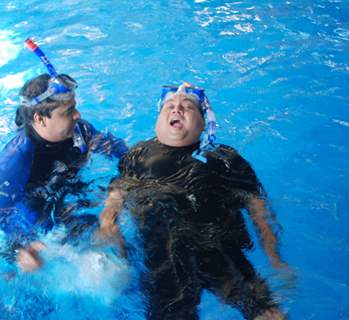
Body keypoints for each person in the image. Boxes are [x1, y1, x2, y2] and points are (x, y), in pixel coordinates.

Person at [97, 82, 288, 319]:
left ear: (203, 122)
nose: (177, 109)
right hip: (165, 254)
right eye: (169, 106)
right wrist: (108, 223)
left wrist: (274, 256)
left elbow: (257, 207)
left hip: (219, 247)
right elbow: (118, 190)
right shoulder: (138, 154)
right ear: (158, 119)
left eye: (187, 107)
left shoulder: (225, 158)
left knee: (269, 314)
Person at [0, 39, 127, 272]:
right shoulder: (10, 163)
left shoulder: (81, 130)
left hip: (71, 194)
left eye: (75, 106)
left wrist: (112, 207)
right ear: (39, 119)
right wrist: (19, 250)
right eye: (68, 111)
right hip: (35, 217)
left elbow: (125, 156)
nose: (78, 115)